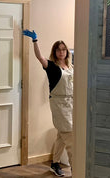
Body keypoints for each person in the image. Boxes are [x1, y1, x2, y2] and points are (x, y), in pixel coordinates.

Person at [23, 29, 73, 177]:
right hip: (59, 105)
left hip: (72, 103)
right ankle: (76, 171)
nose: (61, 52)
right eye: (58, 50)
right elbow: (39, 57)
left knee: (61, 136)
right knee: (71, 140)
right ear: (55, 51)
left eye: (64, 49)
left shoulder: (71, 67)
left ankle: (55, 163)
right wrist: (35, 40)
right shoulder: (51, 66)